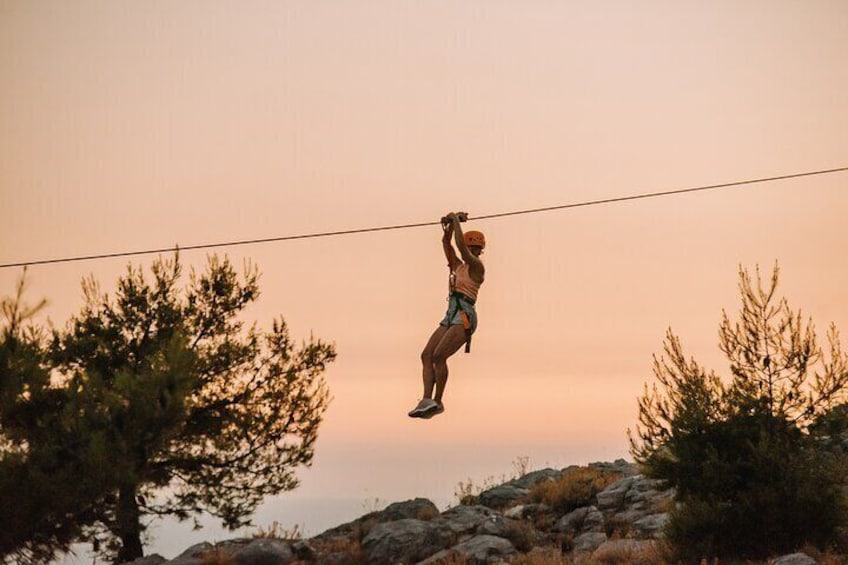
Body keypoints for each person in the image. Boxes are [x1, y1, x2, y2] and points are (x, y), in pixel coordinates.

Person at [408, 212, 486, 419]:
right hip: (451, 313)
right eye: (471, 247)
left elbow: (460, 248)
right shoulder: (458, 266)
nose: (472, 250)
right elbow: (447, 243)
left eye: (475, 248)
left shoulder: (477, 267)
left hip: (465, 315)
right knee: (426, 355)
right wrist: (449, 226)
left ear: (479, 251)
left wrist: (455, 220)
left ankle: (438, 401)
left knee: (439, 356)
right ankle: (427, 399)